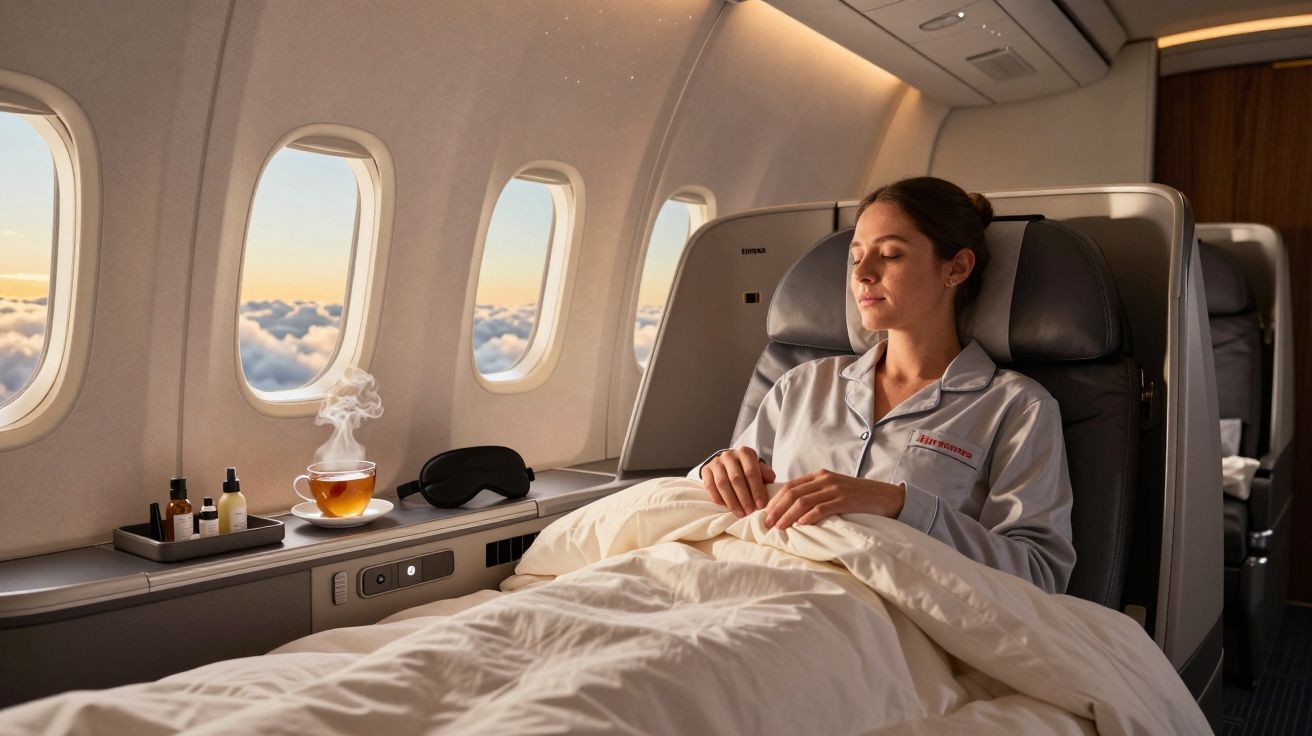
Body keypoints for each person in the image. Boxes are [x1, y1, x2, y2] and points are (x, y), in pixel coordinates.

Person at [690, 176, 1076, 594]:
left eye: (890, 255)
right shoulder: (801, 384)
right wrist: (715, 471)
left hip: (880, 617)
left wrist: (898, 505)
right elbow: (718, 506)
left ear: (956, 268)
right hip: (754, 582)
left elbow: (1039, 572)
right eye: (856, 258)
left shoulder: (1016, 407)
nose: (863, 275)